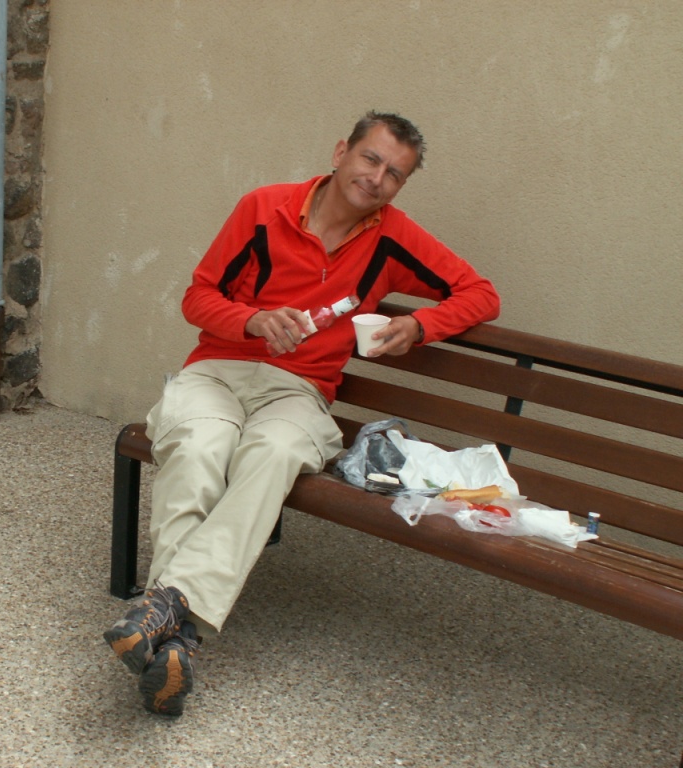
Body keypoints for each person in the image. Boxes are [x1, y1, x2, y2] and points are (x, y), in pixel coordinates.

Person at [104, 111, 500, 716]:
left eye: (395, 174)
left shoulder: (391, 237)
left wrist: (419, 324)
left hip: (299, 389)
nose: (377, 178)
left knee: (276, 452)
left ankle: (165, 612)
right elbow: (198, 295)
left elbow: (480, 294)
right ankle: (180, 637)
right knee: (201, 445)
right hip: (218, 370)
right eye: (370, 159)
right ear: (341, 151)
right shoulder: (263, 208)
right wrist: (253, 319)